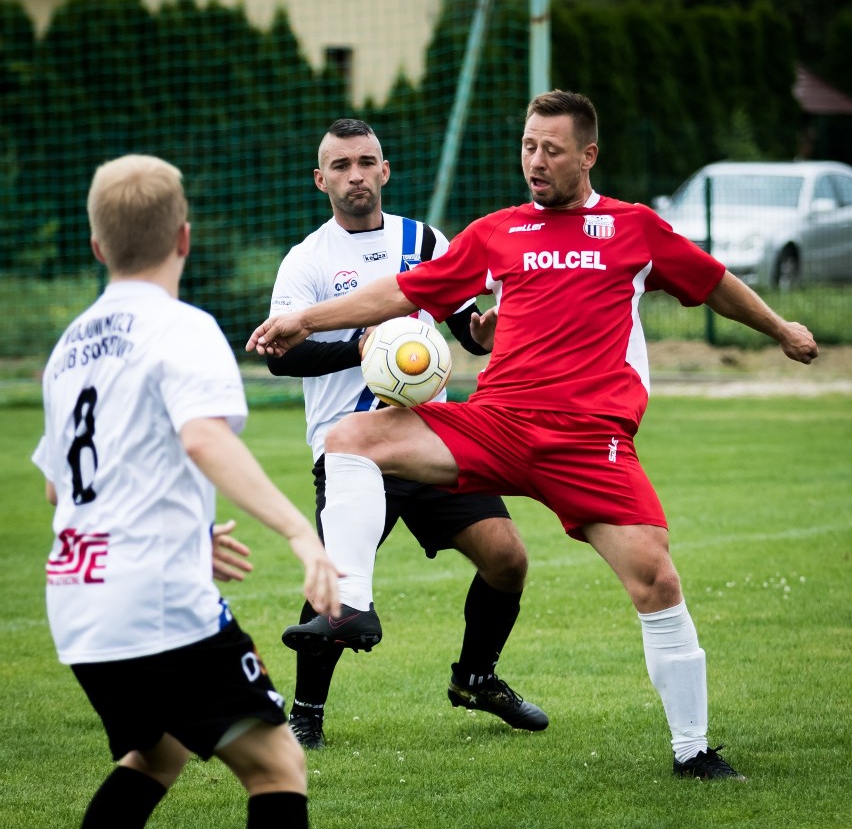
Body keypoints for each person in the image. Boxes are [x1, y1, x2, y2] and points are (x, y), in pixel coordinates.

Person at [248, 91, 820, 781]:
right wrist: (307, 320)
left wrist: (781, 329)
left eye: (550, 149)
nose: (535, 161)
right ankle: (354, 610)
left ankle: (692, 749)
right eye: (527, 147)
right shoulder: (496, 232)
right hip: (497, 423)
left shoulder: (633, 228)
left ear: (588, 154)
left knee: (656, 581)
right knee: (349, 438)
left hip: (589, 441)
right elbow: (406, 293)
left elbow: (714, 282)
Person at [33, 154, 340, 829]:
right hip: (155, 602)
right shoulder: (183, 327)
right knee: (278, 766)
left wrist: (182, 534)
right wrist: (299, 532)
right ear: (184, 238)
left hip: (80, 604)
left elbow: (64, 493)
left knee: (158, 754)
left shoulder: (68, 348)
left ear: (96, 246)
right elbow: (203, 437)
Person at [265, 118, 548, 749]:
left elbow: (463, 325)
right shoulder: (307, 260)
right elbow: (281, 355)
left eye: (367, 162)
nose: (356, 174)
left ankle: (477, 678)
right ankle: (305, 714)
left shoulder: (424, 239)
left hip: (433, 440)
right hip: (352, 448)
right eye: (341, 166)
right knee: (338, 584)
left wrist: (486, 329)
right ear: (321, 180)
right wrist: (362, 345)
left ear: (385, 171)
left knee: (508, 559)